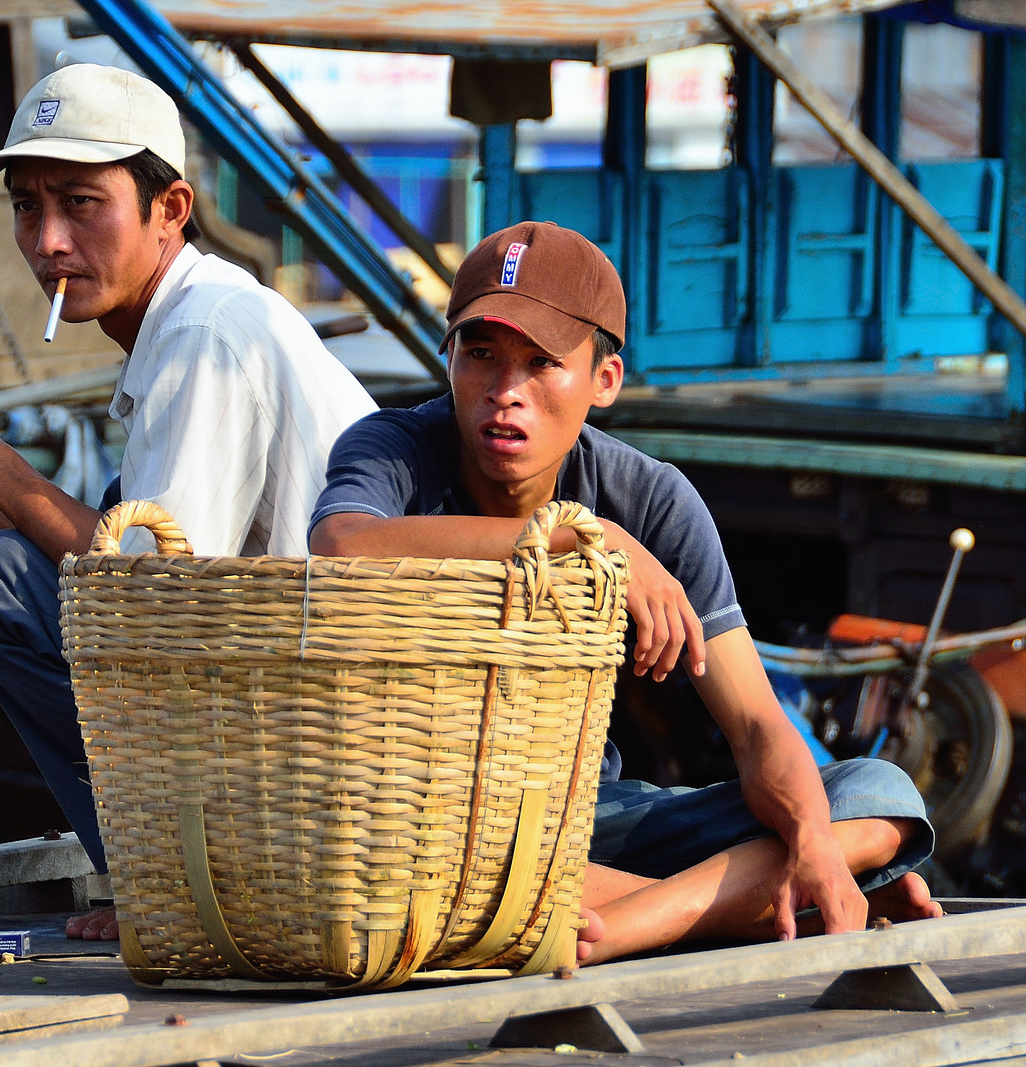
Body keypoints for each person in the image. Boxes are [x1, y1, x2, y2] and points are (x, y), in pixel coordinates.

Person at [308, 220, 941, 964]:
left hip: (584, 816)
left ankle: (615, 926)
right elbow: (342, 543)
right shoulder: (393, 447)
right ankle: (728, 909)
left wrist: (816, 849)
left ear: (604, 380)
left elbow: (755, 726)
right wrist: (586, 536)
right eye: (480, 355)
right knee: (401, 859)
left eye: (541, 363)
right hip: (421, 815)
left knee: (877, 797)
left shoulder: (653, 499)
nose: (505, 393)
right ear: (449, 360)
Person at [0, 64, 377, 940]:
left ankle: (172, 875)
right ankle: (167, 870)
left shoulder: (205, 332)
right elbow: (152, 555)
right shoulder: (187, 323)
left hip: (324, 727)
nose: (48, 241)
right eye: (26, 207)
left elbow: (151, 595)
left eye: (81, 204)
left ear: (170, 209)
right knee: (3, 561)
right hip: (282, 697)